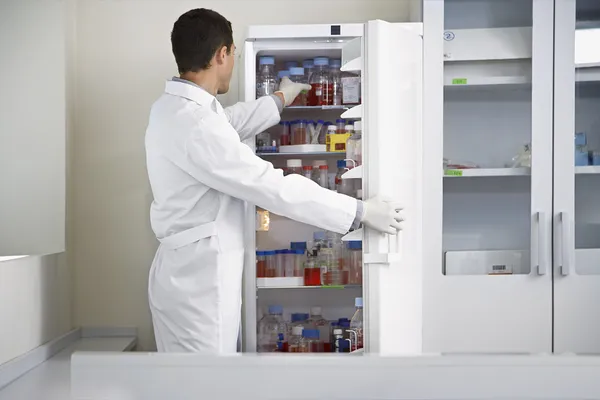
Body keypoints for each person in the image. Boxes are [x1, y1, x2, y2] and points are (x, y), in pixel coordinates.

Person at [145, 8, 404, 354]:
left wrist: (279, 99)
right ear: (222, 53)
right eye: (234, 54)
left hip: (191, 276)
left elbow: (225, 124)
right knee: (201, 386)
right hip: (197, 287)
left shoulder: (179, 110)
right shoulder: (194, 123)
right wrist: (358, 210)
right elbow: (270, 185)